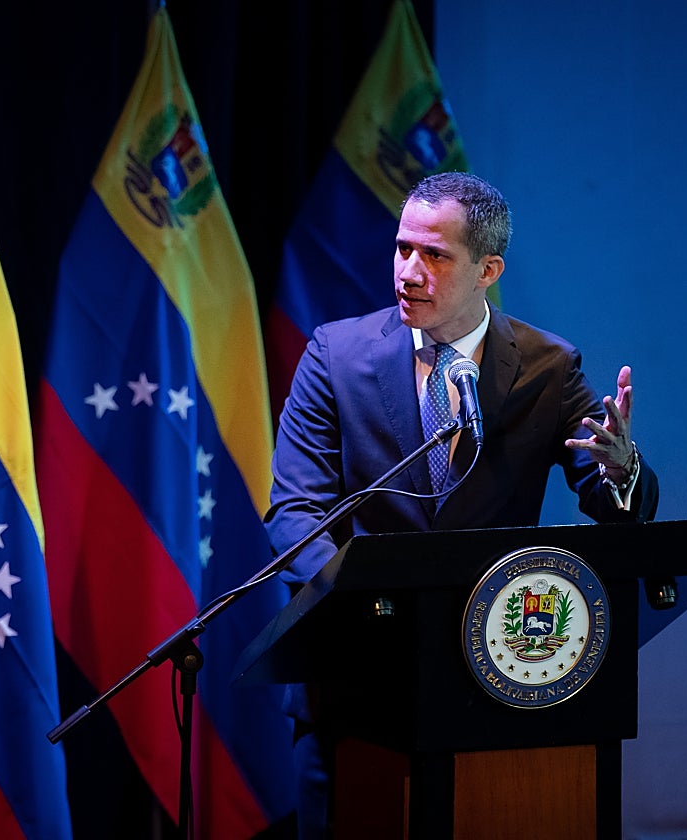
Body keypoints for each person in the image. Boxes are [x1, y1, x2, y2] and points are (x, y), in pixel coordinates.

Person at [263, 171, 659, 838]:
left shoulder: (547, 367)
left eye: (435, 255)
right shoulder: (336, 356)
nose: (409, 271)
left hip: (493, 683)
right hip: (354, 686)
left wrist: (622, 471)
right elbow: (296, 513)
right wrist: (360, 606)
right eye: (402, 249)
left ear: (488, 269)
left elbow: (614, 509)